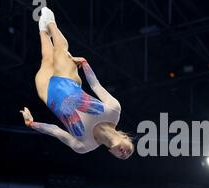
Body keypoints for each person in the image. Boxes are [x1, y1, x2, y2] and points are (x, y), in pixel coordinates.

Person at [20, 7, 133, 159]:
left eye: (123, 156)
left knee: (46, 58)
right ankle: (51, 22)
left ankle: (43, 28)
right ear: (125, 137)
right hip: (69, 80)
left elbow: (56, 131)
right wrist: (85, 64)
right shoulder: (114, 110)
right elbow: (95, 85)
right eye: (129, 150)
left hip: (49, 94)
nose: (124, 153)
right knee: (60, 49)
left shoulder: (84, 146)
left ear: (112, 153)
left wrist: (32, 124)